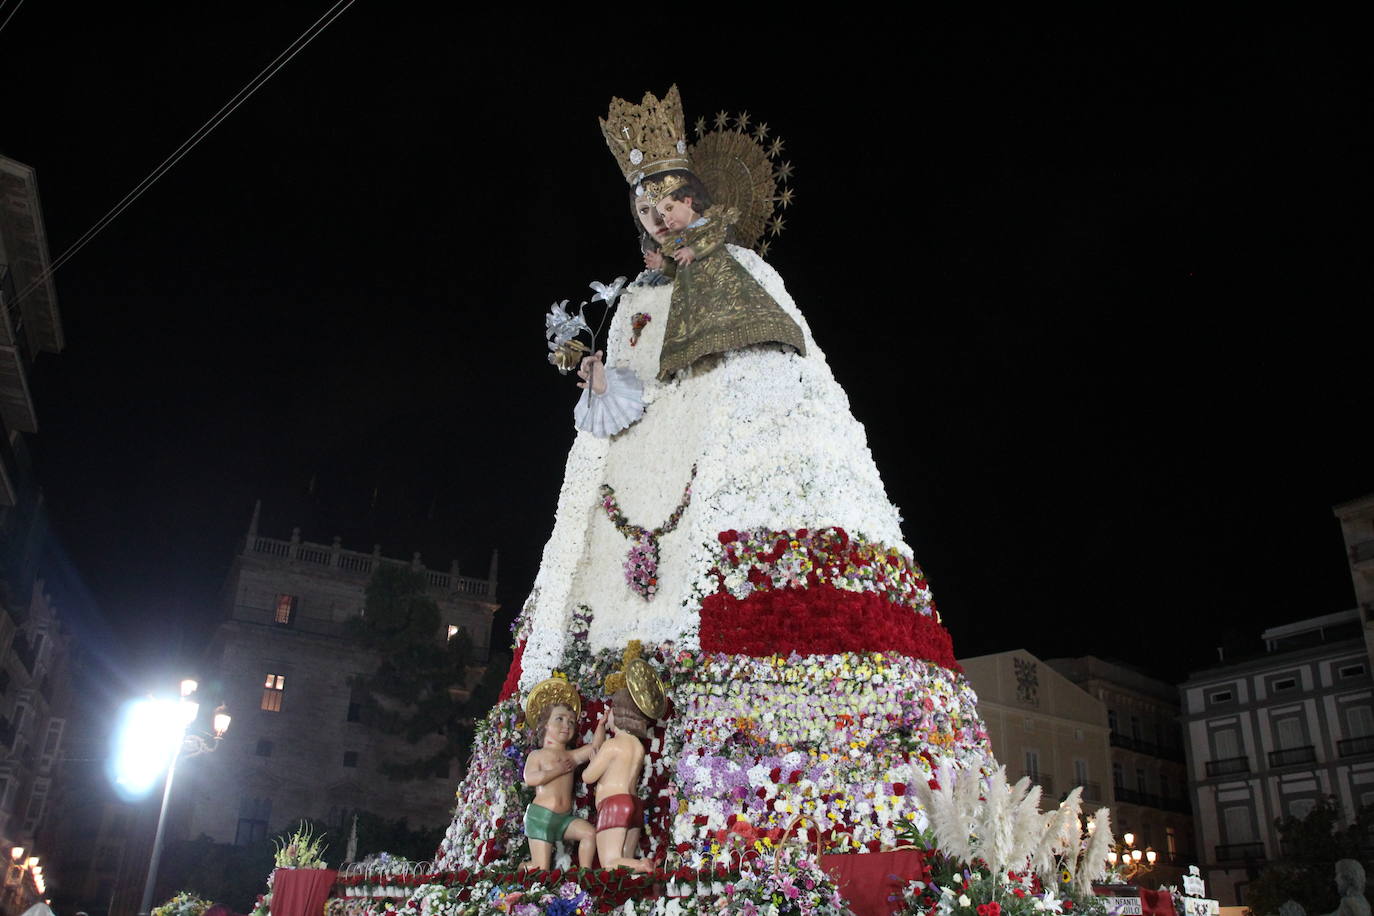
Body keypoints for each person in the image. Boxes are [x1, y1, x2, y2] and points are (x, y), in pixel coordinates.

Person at [521, 699, 604, 871]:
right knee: (540, 868)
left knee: (590, 833)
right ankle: (525, 867)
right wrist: (556, 770)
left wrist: (601, 724)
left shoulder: (571, 757)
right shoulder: (537, 755)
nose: (566, 725)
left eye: (571, 722)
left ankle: (585, 875)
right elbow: (530, 779)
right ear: (545, 725)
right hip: (541, 818)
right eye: (559, 719)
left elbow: (596, 748)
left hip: (564, 819)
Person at [583, 688, 654, 873]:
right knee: (624, 863)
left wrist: (593, 761)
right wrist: (601, 728)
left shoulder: (612, 745)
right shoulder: (638, 746)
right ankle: (636, 876)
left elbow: (588, 776)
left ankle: (643, 865)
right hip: (634, 804)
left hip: (614, 804)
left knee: (610, 862)